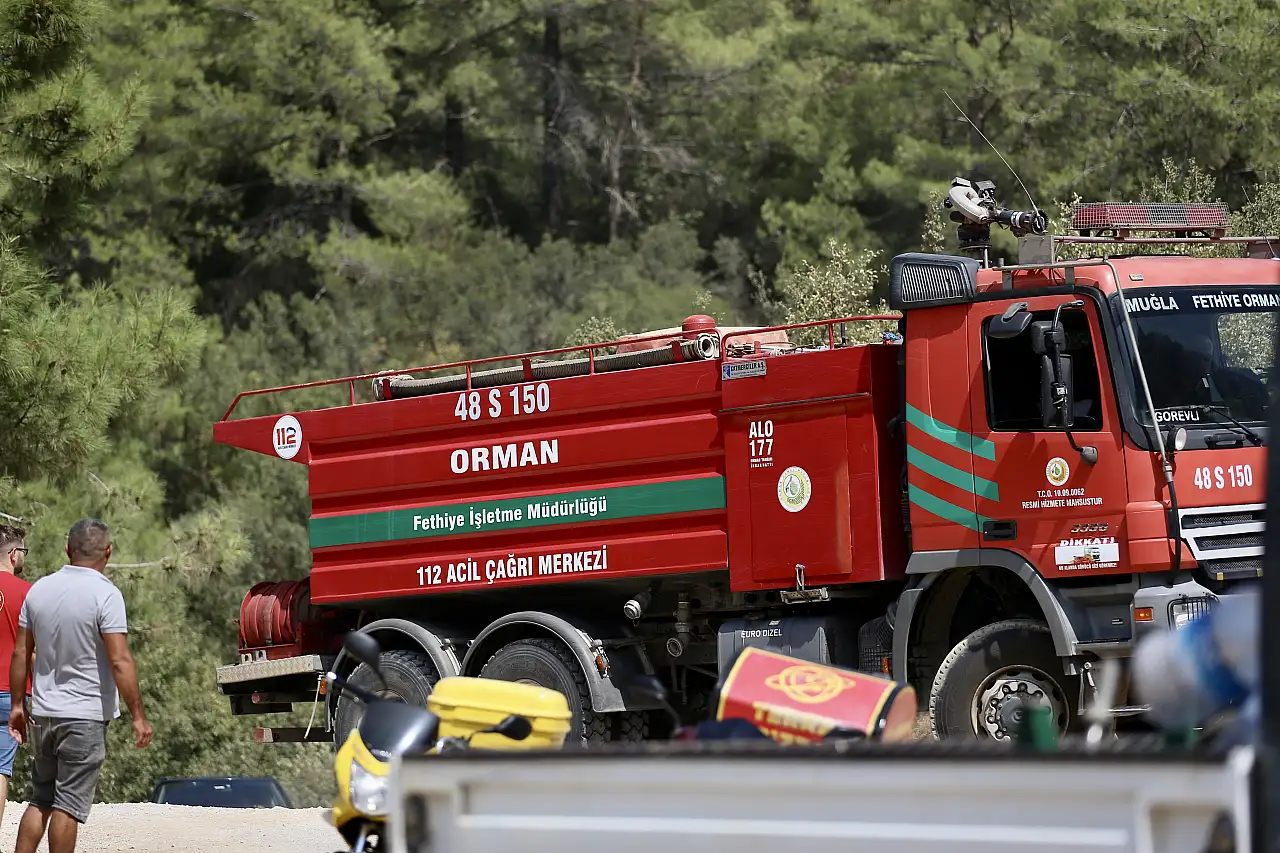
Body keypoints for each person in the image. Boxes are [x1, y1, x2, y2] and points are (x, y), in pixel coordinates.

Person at [7, 519, 152, 853]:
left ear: (67, 549)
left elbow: (20, 652)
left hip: (43, 714)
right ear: (109, 552)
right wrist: (138, 716)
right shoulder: (106, 594)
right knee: (68, 805)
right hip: (84, 717)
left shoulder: (39, 590)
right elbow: (120, 661)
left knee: (40, 798)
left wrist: (18, 706)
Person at [0, 525, 31, 827]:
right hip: (11, 693)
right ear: (13, 554)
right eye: (23, 551)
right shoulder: (26, 593)